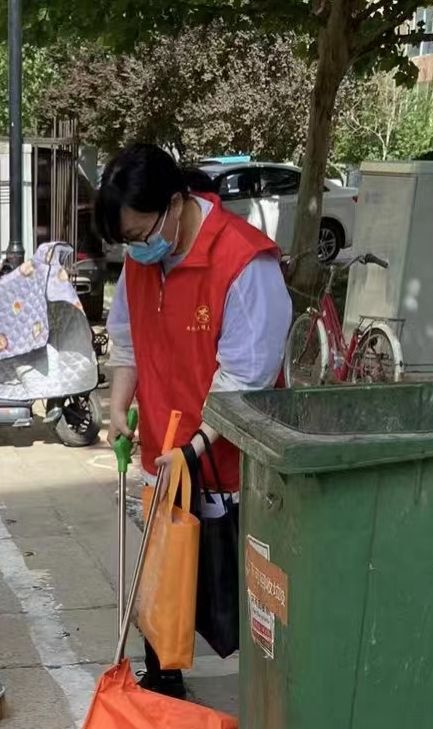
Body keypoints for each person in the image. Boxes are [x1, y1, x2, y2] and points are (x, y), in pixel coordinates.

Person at [98, 144, 291, 698]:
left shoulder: (243, 262)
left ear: (178, 202)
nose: (138, 249)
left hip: (230, 461)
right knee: (164, 570)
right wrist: (118, 405)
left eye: (142, 233)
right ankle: (163, 680)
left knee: (242, 589)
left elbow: (246, 377)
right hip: (166, 448)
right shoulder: (140, 261)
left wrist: (199, 444)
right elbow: (127, 338)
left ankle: (271, 693)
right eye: (127, 241)